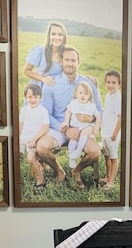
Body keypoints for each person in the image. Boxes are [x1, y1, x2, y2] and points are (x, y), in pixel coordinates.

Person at [35, 45, 102, 187]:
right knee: (41, 147)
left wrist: (92, 119)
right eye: (67, 60)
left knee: (95, 152)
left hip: (83, 127)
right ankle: (60, 171)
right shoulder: (51, 84)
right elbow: (46, 113)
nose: (70, 63)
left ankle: (76, 171)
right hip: (58, 127)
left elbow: (100, 110)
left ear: (79, 62)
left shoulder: (88, 83)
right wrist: (65, 129)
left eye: (73, 60)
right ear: (61, 61)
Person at [61, 82, 100, 175]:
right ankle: (71, 157)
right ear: (76, 94)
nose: (83, 95)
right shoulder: (73, 103)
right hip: (75, 127)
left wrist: (96, 128)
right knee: (73, 141)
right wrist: (66, 122)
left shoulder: (91, 105)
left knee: (87, 130)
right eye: (80, 93)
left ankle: (78, 151)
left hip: (86, 126)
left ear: (89, 95)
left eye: (86, 94)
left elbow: (98, 117)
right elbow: (68, 112)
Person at [19, 83, 49, 187]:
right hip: (26, 139)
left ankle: (40, 179)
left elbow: (45, 128)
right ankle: (39, 167)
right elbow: (21, 126)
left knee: (31, 158)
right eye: (30, 97)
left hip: (37, 139)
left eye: (35, 97)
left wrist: (34, 140)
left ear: (40, 97)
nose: (32, 99)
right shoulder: (23, 110)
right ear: (25, 97)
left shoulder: (43, 111)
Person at [23, 21, 67, 89]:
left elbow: (72, 73)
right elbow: (26, 71)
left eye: (60, 34)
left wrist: (85, 78)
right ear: (49, 36)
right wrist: (42, 78)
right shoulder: (40, 51)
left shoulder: (66, 53)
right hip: (38, 91)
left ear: (64, 37)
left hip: (57, 90)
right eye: (53, 34)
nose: (56, 37)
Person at [100, 69, 122, 190]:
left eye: (114, 83)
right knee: (106, 155)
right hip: (105, 132)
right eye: (108, 82)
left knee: (113, 157)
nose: (110, 85)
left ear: (119, 84)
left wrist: (115, 133)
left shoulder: (118, 98)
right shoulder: (108, 95)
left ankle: (111, 181)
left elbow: (120, 118)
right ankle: (108, 176)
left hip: (113, 133)